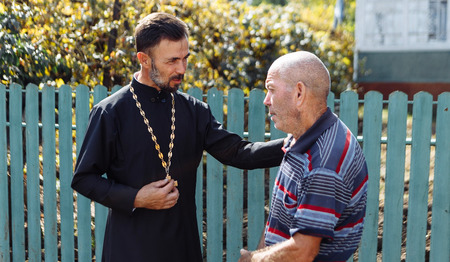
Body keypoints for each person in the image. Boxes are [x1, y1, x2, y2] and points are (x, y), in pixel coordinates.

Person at [71, 12, 285, 262]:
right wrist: (136, 198)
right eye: (172, 61)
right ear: (144, 59)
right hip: (129, 247)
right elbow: (84, 178)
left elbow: (238, 152)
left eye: (185, 59)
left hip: (183, 247)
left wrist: (294, 145)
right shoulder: (111, 112)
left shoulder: (194, 110)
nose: (181, 69)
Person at [239, 51, 368, 261]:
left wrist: (253, 259)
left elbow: (303, 251)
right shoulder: (300, 137)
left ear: (299, 93)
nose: (266, 100)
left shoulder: (324, 166)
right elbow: (279, 216)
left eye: (271, 90)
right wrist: (259, 253)